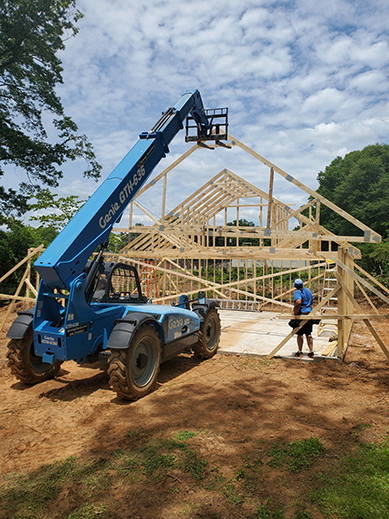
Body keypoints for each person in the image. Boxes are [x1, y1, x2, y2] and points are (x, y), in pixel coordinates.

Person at [292, 278, 314, 358]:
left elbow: (298, 302)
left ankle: (300, 352)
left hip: (301, 315)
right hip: (309, 313)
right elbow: (311, 300)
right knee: (308, 334)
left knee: (300, 334)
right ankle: (311, 352)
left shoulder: (297, 292)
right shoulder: (307, 290)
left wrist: (295, 312)